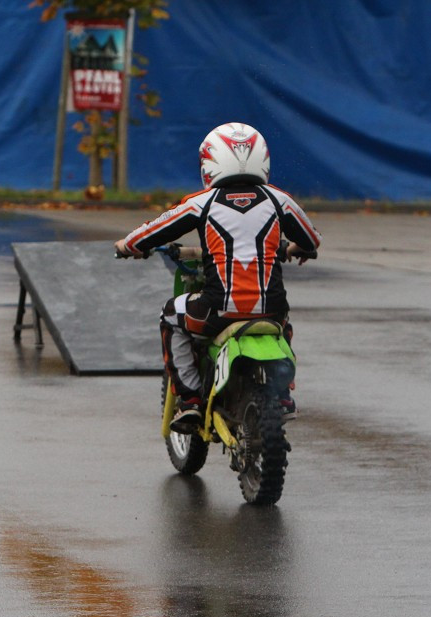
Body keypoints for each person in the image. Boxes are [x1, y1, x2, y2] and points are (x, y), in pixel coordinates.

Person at [114, 122, 322, 433]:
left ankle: (190, 402)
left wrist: (127, 246)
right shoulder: (280, 200)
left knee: (171, 316)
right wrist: (293, 248)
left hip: (218, 311)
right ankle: (282, 394)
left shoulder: (201, 202)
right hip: (271, 311)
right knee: (283, 323)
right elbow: (311, 240)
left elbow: (150, 232)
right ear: (262, 159)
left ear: (210, 162)